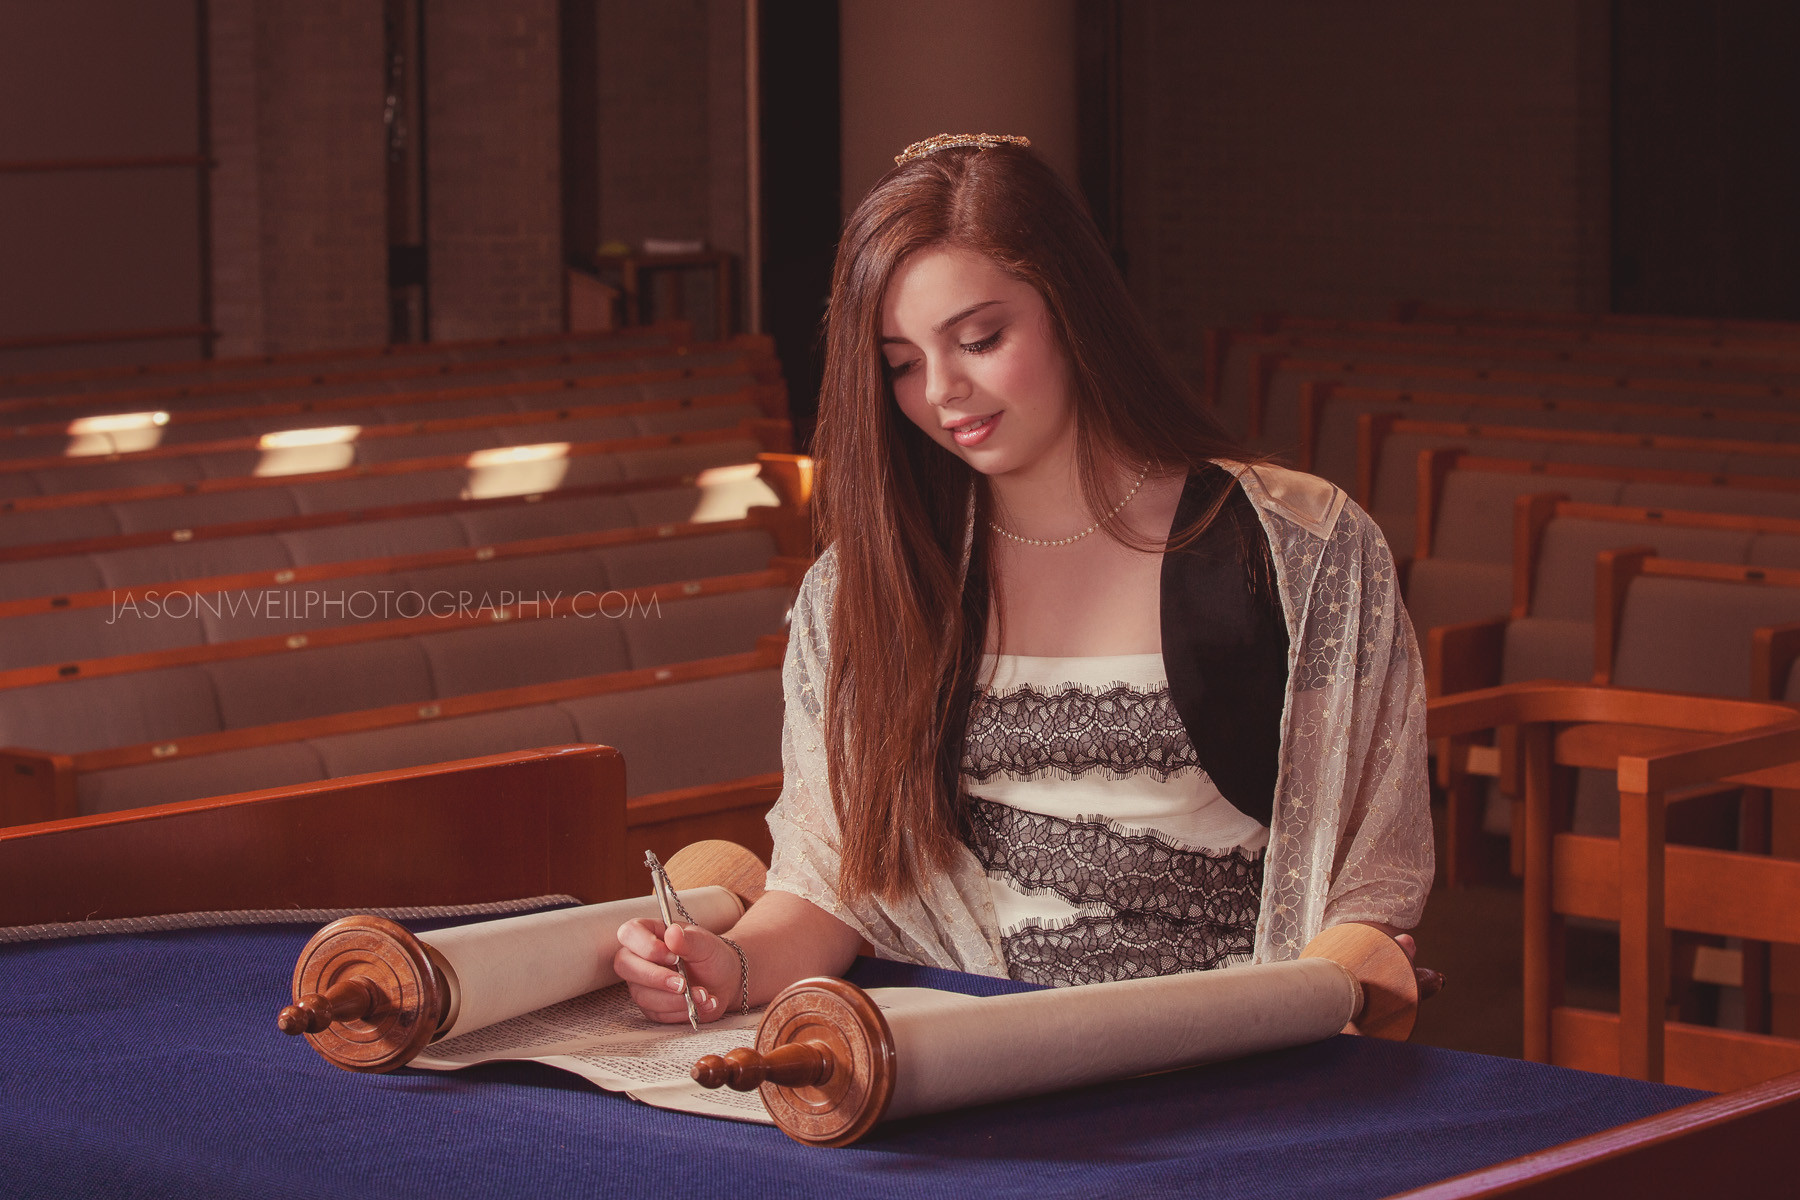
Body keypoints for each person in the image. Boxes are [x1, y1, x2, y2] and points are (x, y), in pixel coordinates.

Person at [616, 133, 1433, 1022]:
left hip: (1219, 1058)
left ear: (1071, 306)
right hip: (971, 1054)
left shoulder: (1293, 548)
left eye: (979, 338)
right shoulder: (866, 586)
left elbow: (1368, 891)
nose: (941, 392)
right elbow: (829, 883)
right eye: (900, 363)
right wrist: (722, 965)